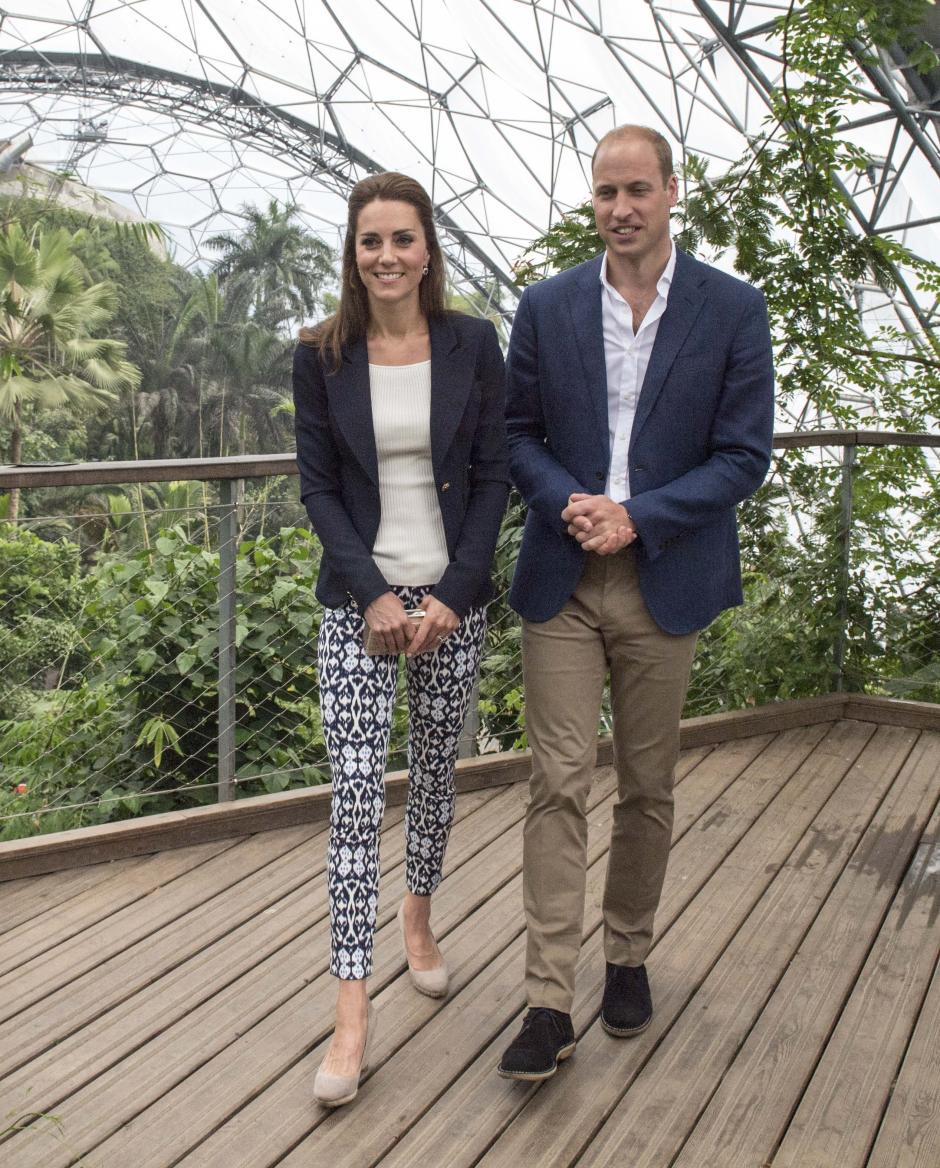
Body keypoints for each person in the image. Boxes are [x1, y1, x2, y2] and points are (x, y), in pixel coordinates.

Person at [497, 125, 774, 1081]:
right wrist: (566, 502)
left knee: (648, 783)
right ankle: (544, 998)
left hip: (666, 571)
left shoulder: (732, 309)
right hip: (562, 572)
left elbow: (744, 456)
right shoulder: (546, 306)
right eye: (606, 192)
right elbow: (518, 434)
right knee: (558, 780)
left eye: (637, 190)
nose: (621, 209)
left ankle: (627, 956)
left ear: (670, 192)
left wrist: (638, 516)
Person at [293, 172, 509, 1106]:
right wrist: (374, 593)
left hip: (451, 604)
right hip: (359, 605)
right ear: (354, 252)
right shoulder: (320, 355)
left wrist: (455, 594)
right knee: (351, 798)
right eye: (369, 240)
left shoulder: (472, 344)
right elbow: (317, 487)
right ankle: (352, 1012)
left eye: (402, 239)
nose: (386, 256)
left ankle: (418, 920)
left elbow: (496, 476)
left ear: (428, 250)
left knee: (433, 774)